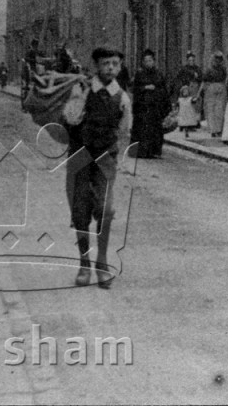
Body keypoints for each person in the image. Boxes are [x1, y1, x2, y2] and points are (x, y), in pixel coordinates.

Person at [64, 46, 132, 287]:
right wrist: (80, 98)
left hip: (105, 158)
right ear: (96, 66)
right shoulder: (82, 89)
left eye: (115, 63)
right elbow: (70, 118)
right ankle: (84, 265)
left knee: (106, 209)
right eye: (106, 64)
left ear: (120, 67)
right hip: (80, 157)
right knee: (80, 211)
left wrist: (117, 160)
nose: (110, 68)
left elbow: (124, 132)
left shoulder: (122, 97)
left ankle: (101, 263)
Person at [130, 49, 171, 159]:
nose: (148, 63)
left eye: (150, 60)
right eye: (146, 61)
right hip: (143, 108)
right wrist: (145, 87)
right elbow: (135, 89)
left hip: (155, 107)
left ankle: (154, 151)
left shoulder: (158, 74)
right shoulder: (139, 74)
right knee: (142, 130)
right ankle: (142, 152)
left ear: (154, 61)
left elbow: (164, 89)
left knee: (155, 130)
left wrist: (165, 104)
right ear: (143, 62)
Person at [202, 49, 227, 138]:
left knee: (215, 109)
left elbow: (205, 78)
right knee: (216, 109)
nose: (218, 61)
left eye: (219, 59)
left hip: (214, 87)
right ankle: (216, 129)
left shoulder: (210, 69)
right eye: (217, 59)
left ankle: (215, 129)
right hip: (216, 87)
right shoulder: (220, 69)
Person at [21, 38, 39, 107]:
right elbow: (26, 59)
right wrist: (34, 60)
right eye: (35, 45)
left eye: (36, 45)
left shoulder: (35, 51)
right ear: (33, 45)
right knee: (26, 88)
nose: (36, 47)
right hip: (28, 71)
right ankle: (24, 104)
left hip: (33, 69)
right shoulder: (30, 51)